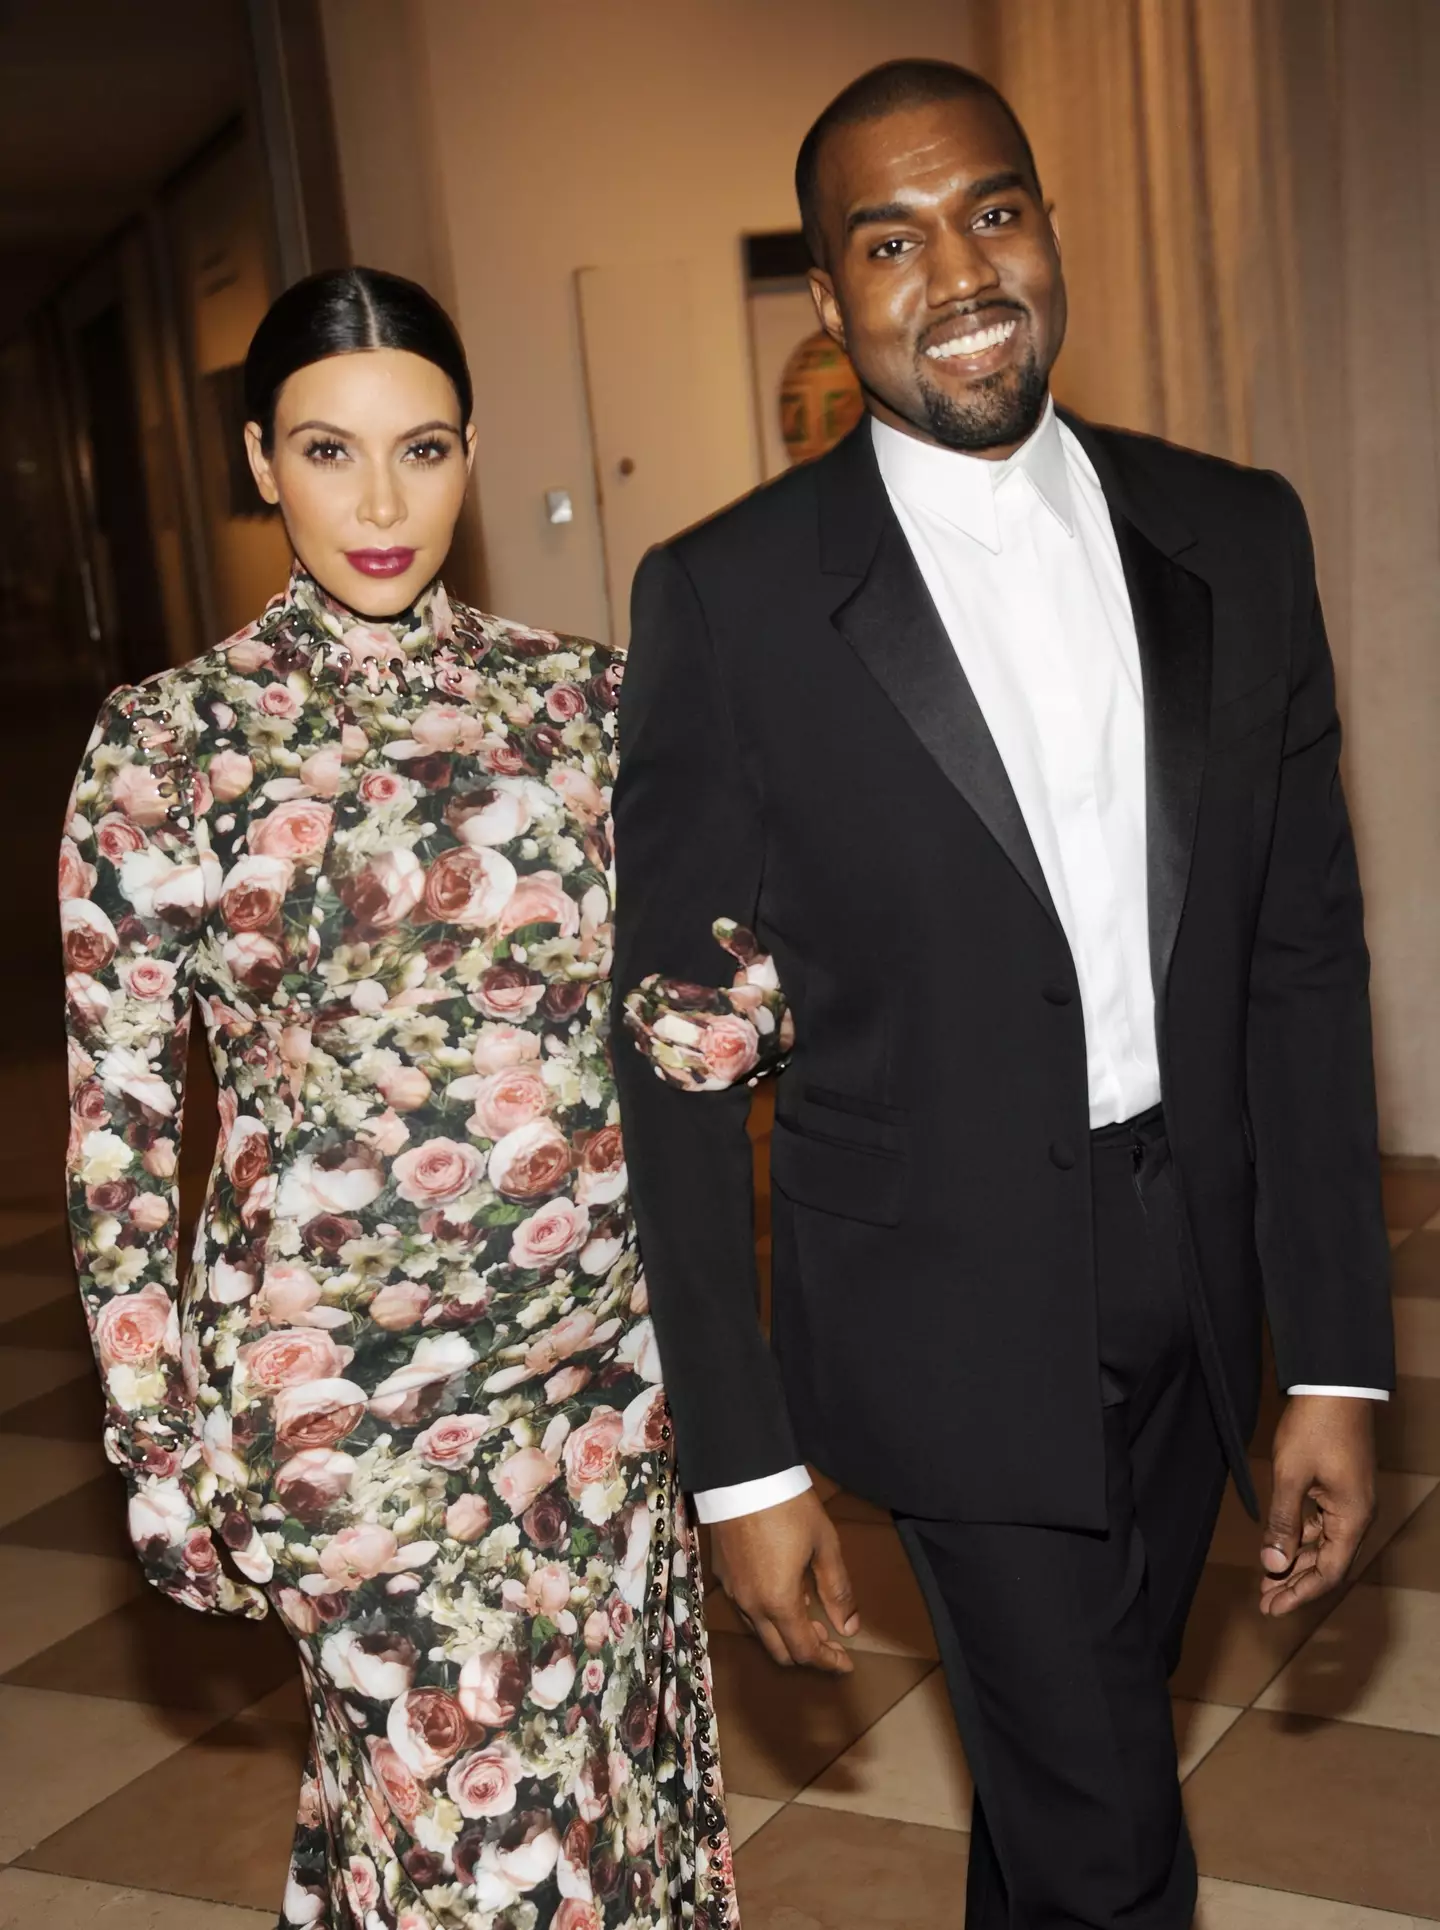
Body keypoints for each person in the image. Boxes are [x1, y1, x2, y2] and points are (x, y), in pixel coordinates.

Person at [611, 60, 1394, 1930]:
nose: (955, 271)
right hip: (944, 1311)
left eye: (991, 211)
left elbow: (1302, 959)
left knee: (1073, 1776)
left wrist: (1339, 1354)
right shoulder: (729, 598)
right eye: (889, 239)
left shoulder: (1243, 534)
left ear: (1046, 225)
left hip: (1191, 1269)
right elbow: (673, 1063)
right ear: (827, 296)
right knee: (1115, 1841)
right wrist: (741, 1460)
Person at [60, 266, 737, 1930]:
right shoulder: (169, 747)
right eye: (328, 449)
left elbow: (669, 1006)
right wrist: (159, 1441)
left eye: (421, 449)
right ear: (257, 459)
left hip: (601, 1374)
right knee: (460, 1830)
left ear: (472, 453)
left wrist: (783, 996)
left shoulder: (583, 700)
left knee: (611, 1813)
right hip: (345, 1403)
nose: (380, 502)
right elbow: (123, 1129)